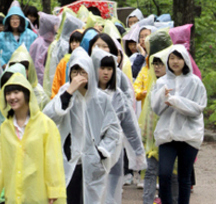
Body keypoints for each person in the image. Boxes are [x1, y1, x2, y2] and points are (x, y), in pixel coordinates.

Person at [44, 47, 121, 204]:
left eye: (83, 72)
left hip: (93, 163)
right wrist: (69, 93)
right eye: (75, 72)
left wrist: (102, 152)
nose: (78, 76)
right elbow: (48, 117)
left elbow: (114, 130)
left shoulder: (101, 99)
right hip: (69, 161)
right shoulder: (65, 93)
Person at [0, 72, 66, 204]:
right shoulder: (5, 128)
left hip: (38, 196)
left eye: (16, 92)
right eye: (8, 93)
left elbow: (53, 160)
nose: (12, 97)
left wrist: (54, 191)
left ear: (27, 94)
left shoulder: (45, 125)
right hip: (14, 196)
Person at [151, 45, 207, 204]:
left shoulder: (195, 82)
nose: (175, 61)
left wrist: (176, 101)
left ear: (186, 60)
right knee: (164, 174)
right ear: (167, 60)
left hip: (189, 135)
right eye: (172, 58)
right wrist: (163, 98)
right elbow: (156, 109)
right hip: (167, 135)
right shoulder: (162, 82)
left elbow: (198, 108)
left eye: (179, 58)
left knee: (184, 177)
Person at [91, 48, 146, 204]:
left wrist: (138, 151)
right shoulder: (86, 95)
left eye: (110, 68)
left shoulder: (118, 95)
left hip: (114, 150)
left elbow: (129, 126)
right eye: (102, 68)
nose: (106, 72)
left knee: (111, 193)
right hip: (91, 150)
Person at [139, 47, 178, 204]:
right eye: (154, 64)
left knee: (171, 174)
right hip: (153, 140)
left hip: (170, 138)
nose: (156, 67)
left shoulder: (175, 86)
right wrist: (146, 137)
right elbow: (148, 115)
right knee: (150, 172)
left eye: (160, 64)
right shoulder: (153, 87)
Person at [8, 45, 49, 109]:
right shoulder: (4, 91)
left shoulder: (40, 95)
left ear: (30, 70)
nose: (19, 73)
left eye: (23, 69)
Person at [51, 29, 83, 98]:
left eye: (77, 42)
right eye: (72, 42)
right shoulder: (64, 62)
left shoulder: (85, 61)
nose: (74, 44)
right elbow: (56, 84)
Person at [29, 12, 59, 86]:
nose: (56, 28)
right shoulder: (39, 43)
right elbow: (37, 66)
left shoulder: (52, 41)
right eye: (55, 25)